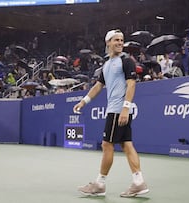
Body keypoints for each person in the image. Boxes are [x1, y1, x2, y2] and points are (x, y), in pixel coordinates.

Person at [73, 29, 149, 197]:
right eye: (116, 40)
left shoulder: (126, 61)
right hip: (117, 110)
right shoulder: (106, 64)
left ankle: (100, 184)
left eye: (121, 40)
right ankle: (138, 182)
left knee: (107, 145)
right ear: (108, 42)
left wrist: (125, 108)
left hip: (118, 110)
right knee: (126, 144)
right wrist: (84, 101)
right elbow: (98, 86)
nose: (120, 43)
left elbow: (131, 85)